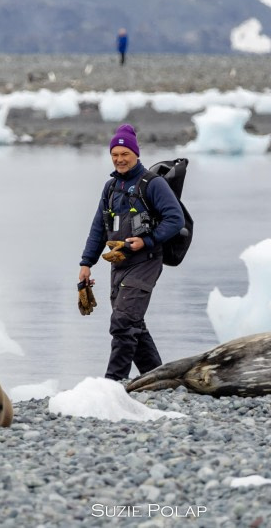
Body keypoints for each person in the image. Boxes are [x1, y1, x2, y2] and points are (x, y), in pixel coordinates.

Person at [79, 124, 184, 381]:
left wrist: (147, 241)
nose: (119, 159)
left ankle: (112, 383)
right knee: (133, 324)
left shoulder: (153, 184)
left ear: (135, 154)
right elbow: (98, 228)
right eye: (114, 154)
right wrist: (86, 263)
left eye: (124, 153)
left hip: (146, 261)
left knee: (123, 322)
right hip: (119, 264)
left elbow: (175, 219)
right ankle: (159, 379)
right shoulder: (111, 187)